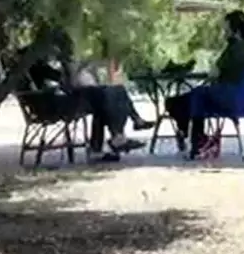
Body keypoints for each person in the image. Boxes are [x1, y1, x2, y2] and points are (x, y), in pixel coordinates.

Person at [19, 32, 154, 163]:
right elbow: (66, 82)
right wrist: (69, 68)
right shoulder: (36, 66)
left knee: (106, 97)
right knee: (106, 95)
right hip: (54, 106)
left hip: (53, 102)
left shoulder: (30, 65)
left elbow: (63, 82)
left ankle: (106, 144)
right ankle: (121, 132)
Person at [164, 10, 244, 160]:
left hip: (225, 99)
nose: (224, 34)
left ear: (235, 31)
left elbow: (214, 73)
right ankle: (197, 138)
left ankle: (197, 140)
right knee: (187, 100)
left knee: (187, 98)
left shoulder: (233, 48)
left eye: (226, 30)